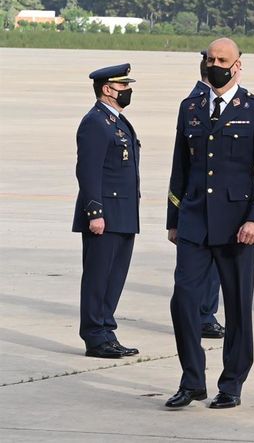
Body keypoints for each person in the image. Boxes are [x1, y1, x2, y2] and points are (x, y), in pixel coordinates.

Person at [165, 37, 254, 410]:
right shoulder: (191, 107)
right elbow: (179, 167)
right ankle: (192, 379)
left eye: (222, 59)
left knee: (238, 308)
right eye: (210, 58)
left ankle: (231, 383)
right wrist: (174, 219)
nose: (214, 64)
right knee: (183, 299)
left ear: (238, 65)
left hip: (237, 227)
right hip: (194, 222)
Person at [75, 64, 141, 359]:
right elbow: (88, 171)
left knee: (114, 278)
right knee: (98, 277)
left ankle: (106, 331)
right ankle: (94, 335)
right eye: (123, 85)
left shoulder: (116, 121)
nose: (128, 90)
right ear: (107, 89)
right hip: (105, 215)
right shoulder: (95, 122)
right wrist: (94, 212)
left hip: (123, 214)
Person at [187, 51, 225, 340]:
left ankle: (205, 313)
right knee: (207, 268)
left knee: (212, 268)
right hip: (205, 200)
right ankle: (204, 315)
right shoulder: (200, 103)